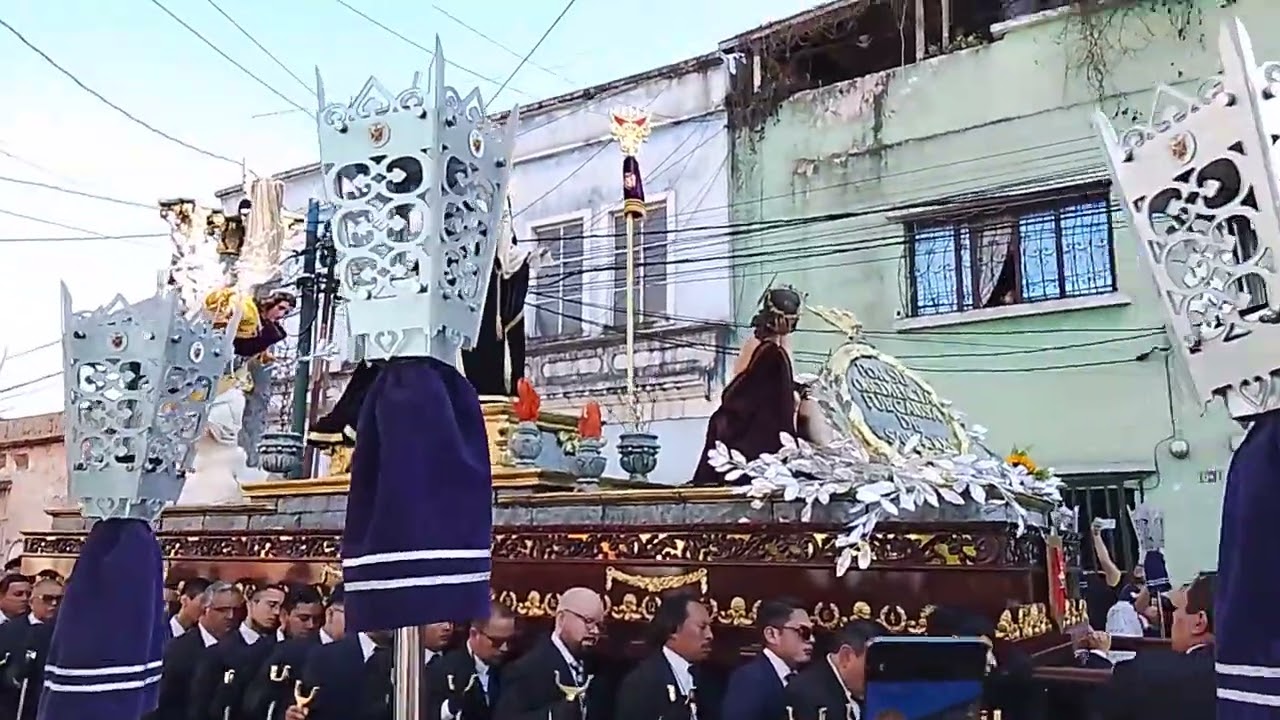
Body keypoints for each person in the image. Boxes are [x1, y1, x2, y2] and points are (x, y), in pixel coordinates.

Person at [692, 287, 803, 486]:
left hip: (770, 432)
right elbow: (739, 387)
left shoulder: (779, 349)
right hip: (752, 433)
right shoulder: (765, 350)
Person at [1091, 572, 1216, 720]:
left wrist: (1096, 655)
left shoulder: (1144, 673)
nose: (1174, 616)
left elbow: (1099, 702)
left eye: (1177, 608)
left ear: (1199, 622)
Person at [495, 587, 608, 720]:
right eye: (588, 622)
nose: (594, 631)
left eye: (599, 625)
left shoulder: (599, 669)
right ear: (561, 619)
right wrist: (553, 716)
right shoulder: (526, 669)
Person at [190, 585, 286, 720]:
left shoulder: (282, 647)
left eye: (281, 608)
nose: (277, 612)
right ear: (251, 604)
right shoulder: (218, 651)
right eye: (271, 605)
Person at [615, 592, 714, 720]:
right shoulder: (642, 684)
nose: (710, 635)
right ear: (673, 630)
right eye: (702, 627)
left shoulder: (710, 680)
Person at [152, 581, 241, 720]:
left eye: (235, 610)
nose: (230, 616)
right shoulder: (178, 650)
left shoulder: (242, 649)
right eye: (222, 610)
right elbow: (164, 704)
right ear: (205, 609)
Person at [720, 598, 813, 720]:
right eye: (803, 632)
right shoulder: (748, 680)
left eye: (812, 632)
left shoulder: (808, 679)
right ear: (772, 635)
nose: (811, 639)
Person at [426, 602, 516, 720]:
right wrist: (451, 706)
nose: (505, 648)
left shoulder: (514, 670)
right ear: (474, 634)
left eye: (509, 641)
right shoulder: (441, 670)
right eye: (497, 642)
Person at [784, 619, 884, 720]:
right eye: (873, 665)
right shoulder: (804, 696)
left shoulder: (878, 694)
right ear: (846, 657)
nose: (879, 675)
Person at [0, 576, 60, 720]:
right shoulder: (7, 631)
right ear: (32, 602)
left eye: (59, 599)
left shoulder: (65, 634)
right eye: (47, 598)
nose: (53, 603)